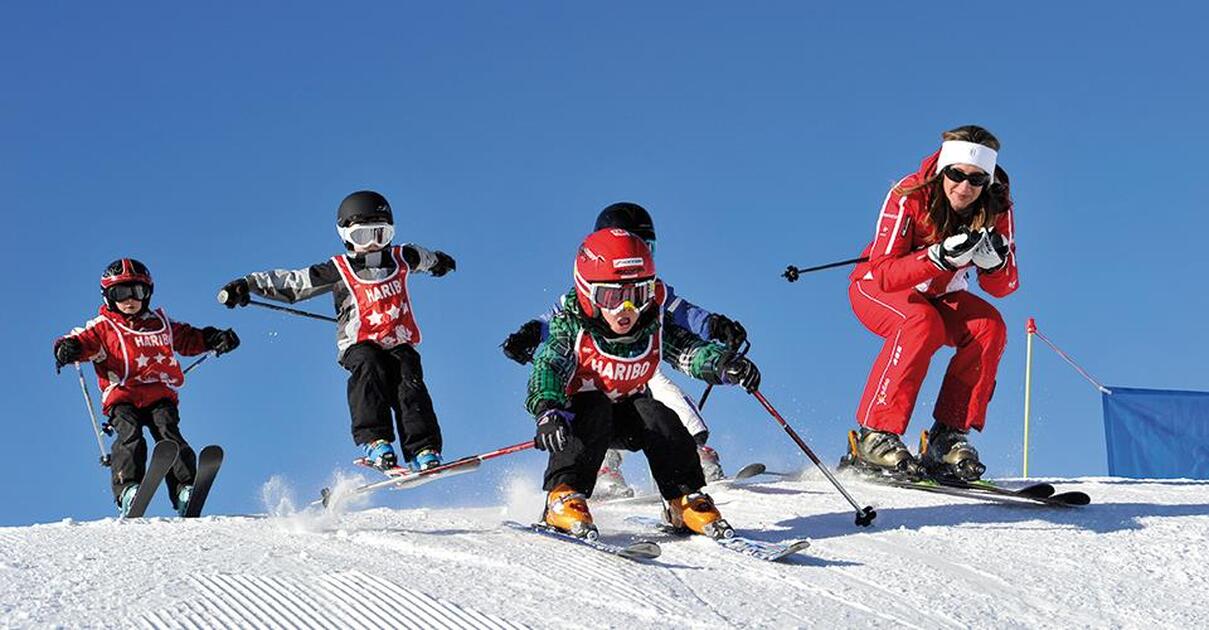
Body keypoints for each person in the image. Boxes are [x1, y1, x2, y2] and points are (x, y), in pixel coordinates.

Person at [527, 228, 761, 539]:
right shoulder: (572, 326)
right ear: (587, 294)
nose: (627, 311)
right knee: (594, 406)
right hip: (578, 419)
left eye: (637, 296)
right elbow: (549, 366)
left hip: (625, 415)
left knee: (659, 416)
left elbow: (690, 351)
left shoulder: (651, 325)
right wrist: (547, 410)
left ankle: (683, 498)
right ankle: (563, 495)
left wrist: (723, 364)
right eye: (613, 298)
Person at [502, 202, 747, 495]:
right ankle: (602, 468)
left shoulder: (652, 290)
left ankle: (692, 457)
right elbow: (557, 326)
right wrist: (529, 334)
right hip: (592, 373)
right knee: (592, 408)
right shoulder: (587, 294)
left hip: (639, 362)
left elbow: (682, 318)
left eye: (645, 246)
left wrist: (715, 330)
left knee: (660, 403)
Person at [218, 190, 455, 472]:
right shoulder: (339, 269)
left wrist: (439, 262)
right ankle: (376, 440)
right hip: (360, 343)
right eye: (362, 237)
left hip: (398, 341)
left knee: (410, 383)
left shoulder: (403, 257)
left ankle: (423, 449)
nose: (372, 244)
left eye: (380, 234)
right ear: (345, 235)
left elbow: (425, 257)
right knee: (369, 368)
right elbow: (294, 282)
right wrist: (249, 284)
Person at [845, 125, 1017, 481]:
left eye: (977, 179)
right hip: (877, 288)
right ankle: (875, 434)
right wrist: (936, 257)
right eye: (956, 175)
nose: (965, 187)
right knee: (920, 323)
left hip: (939, 294)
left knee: (989, 327)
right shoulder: (909, 194)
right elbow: (884, 273)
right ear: (943, 170)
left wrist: (995, 264)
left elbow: (1003, 287)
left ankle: (948, 437)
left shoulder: (997, 204)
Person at [53, 259, 240, 515]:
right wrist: (67, 348)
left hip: (158, 394)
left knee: (169, 435)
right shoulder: (103, 327)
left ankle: (185, 489)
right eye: (121, 293)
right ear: (108, 296)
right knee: (130, 437)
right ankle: (128, 489)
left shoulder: (161, 324)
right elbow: (78, 339)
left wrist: (212, 338)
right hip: (122, 396)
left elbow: (188, 338)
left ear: (147, 294)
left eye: (137, 292)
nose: (130, 299)